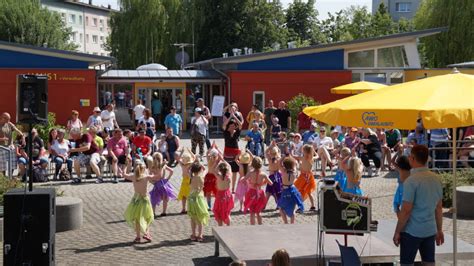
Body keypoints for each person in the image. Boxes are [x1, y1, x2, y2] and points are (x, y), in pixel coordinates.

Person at [393, 145, 444, 265]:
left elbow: (406, 210)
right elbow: (439, 208)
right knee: (429, 263)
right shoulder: (436, 179)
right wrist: (439, 229)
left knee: (406, 263)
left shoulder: (411, 181)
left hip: (412, 230)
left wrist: (397, 231)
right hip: (430, 229)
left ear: (412, 158)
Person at [121, 161, 154, 243]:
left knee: (137, 219)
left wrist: (126, 165)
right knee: (147, 217)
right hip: (144, 200)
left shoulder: (133, 176)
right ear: (144, 169)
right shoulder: (146, 177)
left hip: (135, 200)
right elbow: (158, 176)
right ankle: (147, 233)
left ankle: (138, 237)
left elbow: (124, 174)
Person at [243, 157, 273, 225]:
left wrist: (249, 182)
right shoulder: (263, 174)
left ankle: (252, 226)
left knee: (252, 212)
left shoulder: (250, 173)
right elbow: (271, 183)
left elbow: (243, 180)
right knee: (258, 212)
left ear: (252, 165)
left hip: (251, 193)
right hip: (259, 193)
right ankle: (260, 225)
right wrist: (262, 183)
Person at [187, 161, 210, 242]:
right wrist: (200, 164)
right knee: (200, 218)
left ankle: (193, 234)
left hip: (191, 198)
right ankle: (200, 235)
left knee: (193, 217)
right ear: (200, 169)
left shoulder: (191, 177)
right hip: (199, 198)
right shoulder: (201, 177)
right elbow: (206, 169)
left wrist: (192, 163)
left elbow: (187, 169)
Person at [278, 157, 304, 224]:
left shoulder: (283, 170)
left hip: (285, 190)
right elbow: (295, 164)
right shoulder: (294, 171)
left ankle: (286, 222)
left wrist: (282, 157)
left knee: (281, 208)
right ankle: (292, 223)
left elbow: (279, 164)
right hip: (293, 190)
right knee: (293, 209)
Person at [149, 152, 176, 216]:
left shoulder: (153, 167)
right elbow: (172, 171)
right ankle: (164, 212)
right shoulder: (163, 165)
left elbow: (149, 177)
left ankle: (153, 212)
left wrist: (153, 182)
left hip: (157, 184)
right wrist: (167, 179)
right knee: (165, 198)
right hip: (164, 184)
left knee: (154, 198)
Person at [222, 114, 243, 193]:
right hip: (227, 154)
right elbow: (224, 124)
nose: (232, 127)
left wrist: (234, 117)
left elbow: (240, 125)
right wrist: (230, 116)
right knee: (227, 171)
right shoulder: (226, 132)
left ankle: (233, 189)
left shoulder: (236, 132)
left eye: (233, 126)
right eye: (230, 126)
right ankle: (227, 187)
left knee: (234, 172)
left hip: (235, 154)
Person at [294, 145, 317, 211]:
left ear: (306, 152)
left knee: (303, 191)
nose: (302, 151)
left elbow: (296, 157)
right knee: (306, 192)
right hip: (304, 176)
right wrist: (315, 152)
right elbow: (317, 156)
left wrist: (313, 150)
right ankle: (312, 206)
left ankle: (301, 206)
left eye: (303, 150)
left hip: (306, 177)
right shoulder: (305, 158)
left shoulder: (308, 158)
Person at [213, 158, 235, 226]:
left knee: (218, 212)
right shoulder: (229, 177)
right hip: (228, 195)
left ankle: (220, 227)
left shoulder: (218, 176)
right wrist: (224, 161)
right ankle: (228, 226)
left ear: (220, 170)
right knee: (227, 212)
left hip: (220, 195)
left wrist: (218, 162)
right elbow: (230, 166)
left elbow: (214, 170)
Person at [203, 144, 219, 209]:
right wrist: (211, 147)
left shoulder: (218, 161)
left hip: (215, 177)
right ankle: (209, 205)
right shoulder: (209, 160)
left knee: (216, 192)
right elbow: (207, 153)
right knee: (208, 192)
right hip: (209, 177)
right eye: (213, 155)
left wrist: (217, 148)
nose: (214, 157)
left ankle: (217, 204)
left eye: (215, 155)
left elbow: (220, 155)